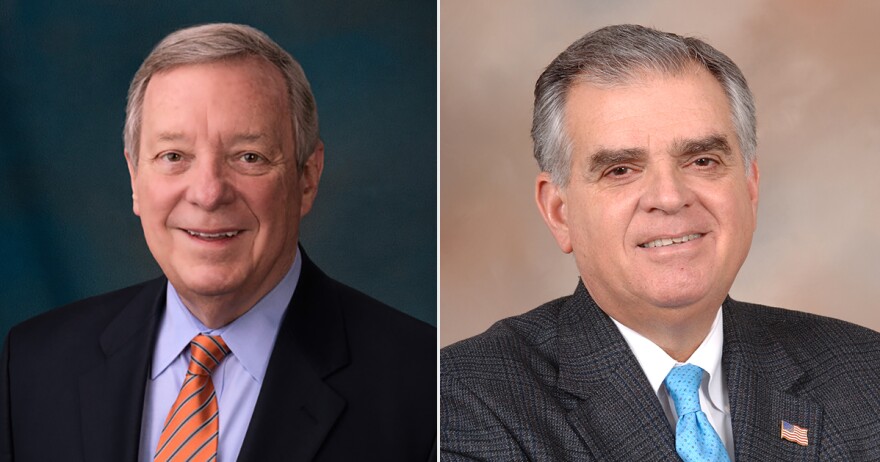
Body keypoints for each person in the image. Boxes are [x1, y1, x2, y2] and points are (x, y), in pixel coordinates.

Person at [440, 24, 880, 461]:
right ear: (560, 212)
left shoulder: (865, 373)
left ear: (749, 187)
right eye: (620, 170)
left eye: (702, 160)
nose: (670, 198)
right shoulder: (462, 400)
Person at [1, 23, 435, 462]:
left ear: (307, 176)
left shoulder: (424, 386)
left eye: (249, 157)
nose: (208, 193)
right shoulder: (33, 365)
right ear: (135, 177)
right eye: (174, 156)